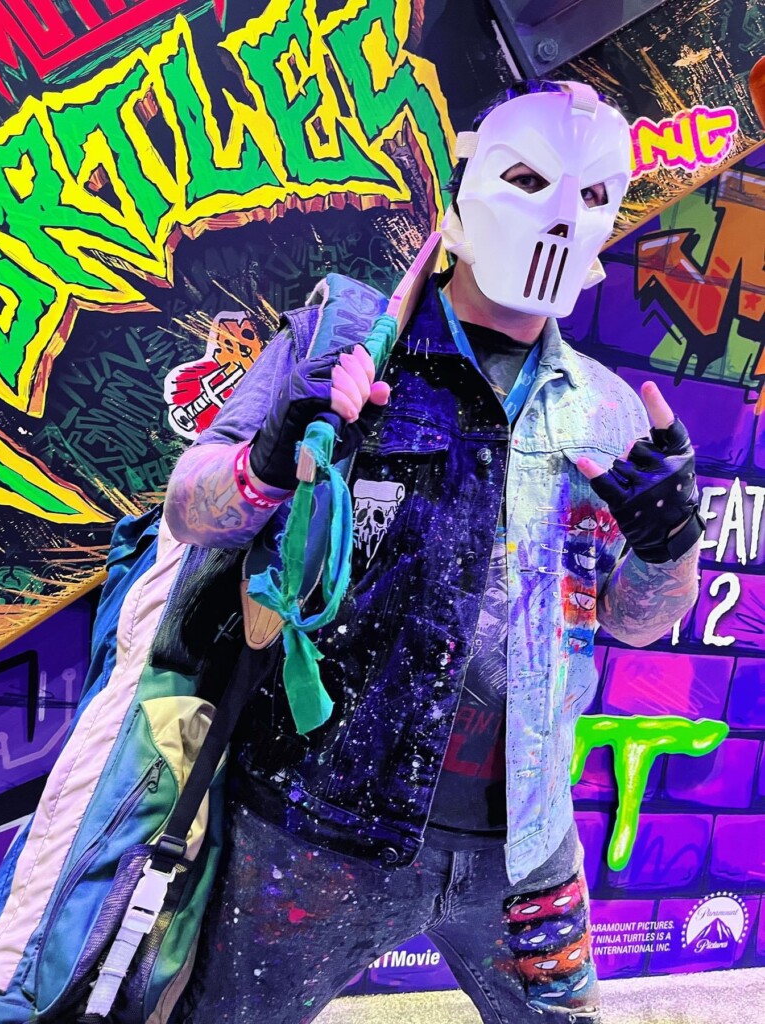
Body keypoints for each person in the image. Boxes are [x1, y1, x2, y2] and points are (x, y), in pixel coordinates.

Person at [163, 80, 702, 1024]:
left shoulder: (607, 410)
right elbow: (189, 510)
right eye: (529, 179)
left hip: (526, 850)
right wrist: (272, 459)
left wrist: (670, 547)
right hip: (318, 827)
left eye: (590, 196)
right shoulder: (343, 345)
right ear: (464, 186)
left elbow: (635, 624)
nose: (557, 218)